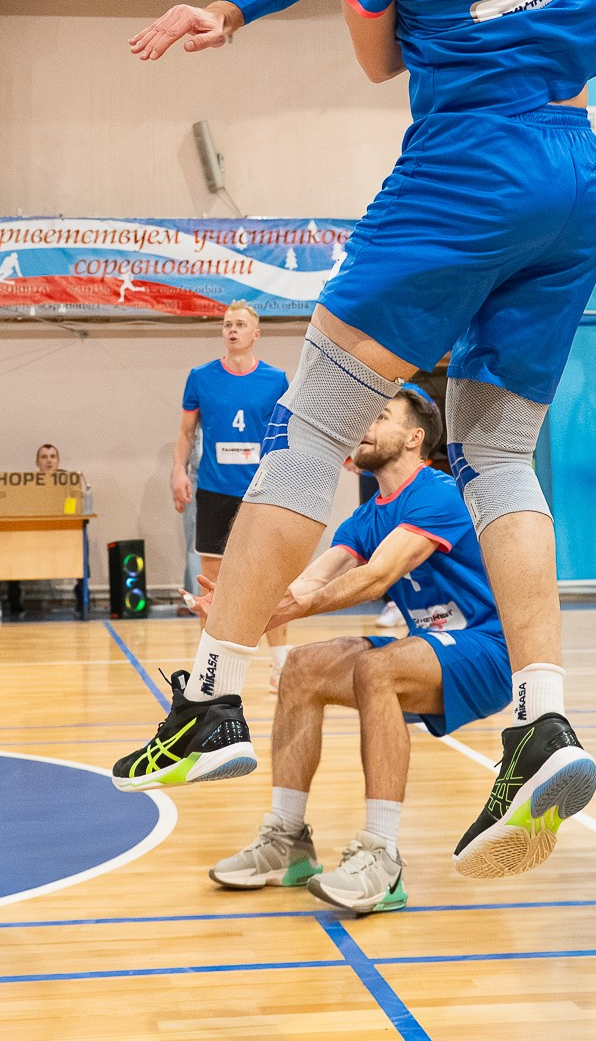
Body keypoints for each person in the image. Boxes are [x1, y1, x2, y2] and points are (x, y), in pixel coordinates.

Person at [113, 0, 596, 882]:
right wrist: (233, 10)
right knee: (496, 455)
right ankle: (542, 716)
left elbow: (379, 54)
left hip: (467, 166)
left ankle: (213, 697)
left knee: (311, 430)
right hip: (576, 164)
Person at [207, 384, 507, 917]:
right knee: (301, 668)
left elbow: (377, 577)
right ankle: (287, 840)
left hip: (488, 652)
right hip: (429, 647)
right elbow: (307, 583)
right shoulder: (366, 516)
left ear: (415, 438)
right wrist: (237, 610)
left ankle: (382, 856)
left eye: (382, 416)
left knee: (377, 669)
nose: (366, 423)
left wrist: (290, 611)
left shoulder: (437, 492)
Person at [172, 302, 289, 648]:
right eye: (227, 325)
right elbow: (186, 432)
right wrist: (178, 471)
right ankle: (209, 661)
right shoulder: (201, 377)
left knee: (268, 581)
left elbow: (284, 436)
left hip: (260, 493)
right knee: (212, 584)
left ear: (256, 334)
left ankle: (280, 665)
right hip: (214, 491)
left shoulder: (275, 379)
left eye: (239, 324)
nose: (232, 330)